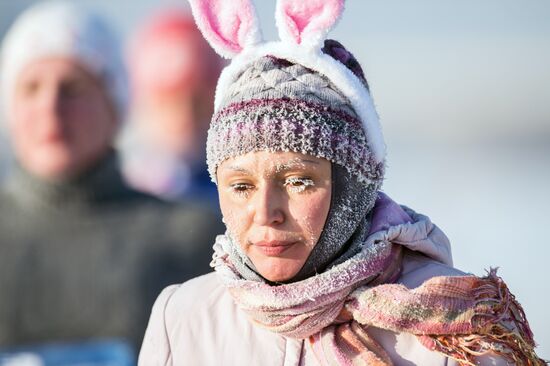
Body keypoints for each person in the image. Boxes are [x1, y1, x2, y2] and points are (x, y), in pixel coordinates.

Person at [139, 1, 545, 366]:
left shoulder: (452, 330)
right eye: (240, 186)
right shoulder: (183, 319)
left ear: (351, 186)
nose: (265, 213)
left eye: (298, 181)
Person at [0, 0, 222, 354]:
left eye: (72, 88)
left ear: (115, 104)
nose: (50, 107)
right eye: (31, 88)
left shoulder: (195, 240)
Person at [119, 9, 223, 203]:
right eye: (170, 103)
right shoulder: (123, 188)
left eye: (198, 103)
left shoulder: (235, 187)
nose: (186, 118)